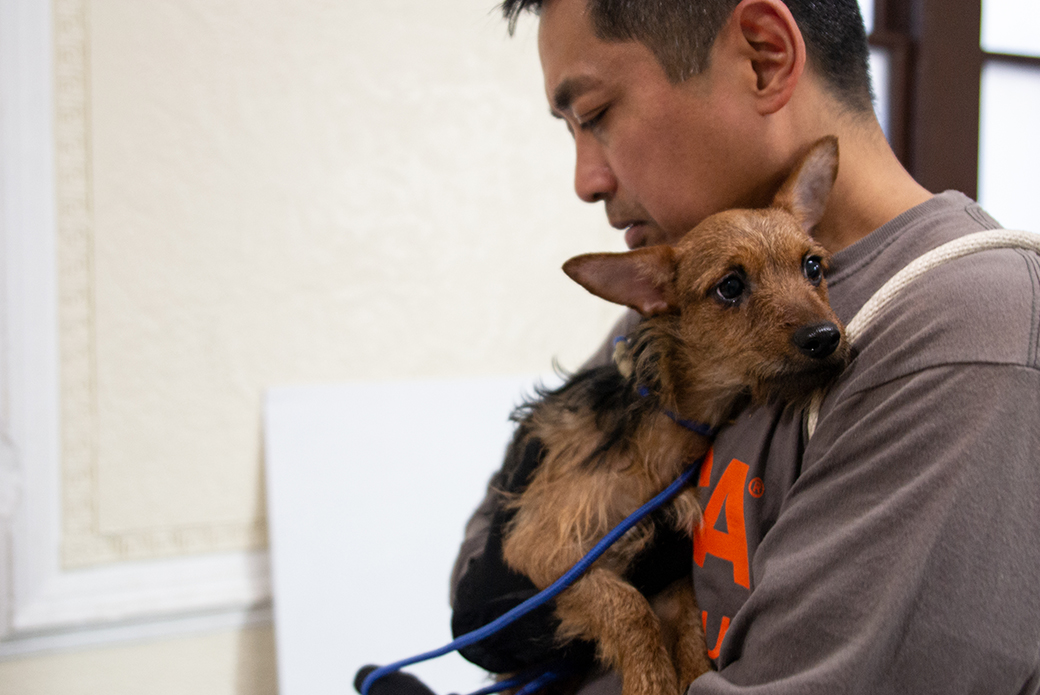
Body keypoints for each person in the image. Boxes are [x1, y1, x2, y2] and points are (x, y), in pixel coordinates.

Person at [403, 0, 1040, 693]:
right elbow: (491, 557)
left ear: (764, 56)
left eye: (595, 115)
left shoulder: (960, 330)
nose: (586, 179)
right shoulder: (687, 302)